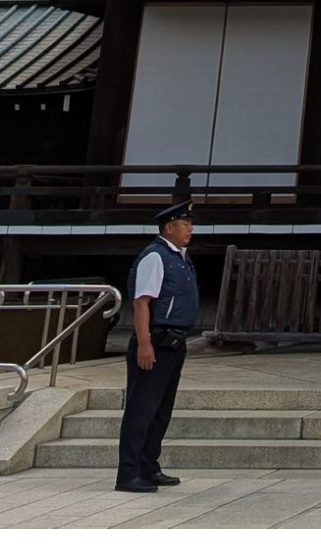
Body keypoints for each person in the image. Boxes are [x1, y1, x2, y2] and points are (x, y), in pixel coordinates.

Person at [115, 199, 198, 493]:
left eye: (190, 223)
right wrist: (144, 344)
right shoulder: (156, 256)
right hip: (156, 341)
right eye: (184, 224)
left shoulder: (180, 257)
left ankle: (149, 466)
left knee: (161, 410)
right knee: (142, 409)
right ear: (168, 227)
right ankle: (128, 473)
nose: (190, 228)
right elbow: (142, 302)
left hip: (175, 342)